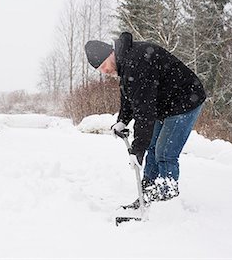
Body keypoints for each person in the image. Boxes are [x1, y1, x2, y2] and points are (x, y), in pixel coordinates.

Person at [85, 32, 206, 208]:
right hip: (165, 103)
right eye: (100, 69)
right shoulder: (125, 62)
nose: (104, 71)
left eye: (103, 65)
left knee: (164, 151)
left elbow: (144, 111)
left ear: (110, 53)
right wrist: (123, 120)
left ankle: (167, 199)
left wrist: (137, 149)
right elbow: (129, 96)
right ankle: (148, 194)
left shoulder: (136, 62)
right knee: (152, 147)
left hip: (185, 100)